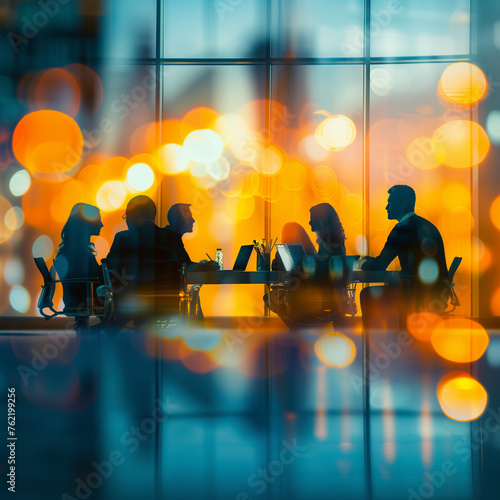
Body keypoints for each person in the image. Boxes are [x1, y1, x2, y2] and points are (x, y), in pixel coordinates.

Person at [359, 185, 450, 329]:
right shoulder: (427, 226)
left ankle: (374, 340)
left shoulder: (402, 229)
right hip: (435, 293)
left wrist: (362, 263)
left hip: (414, 294)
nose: (386, 207)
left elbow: (380, 265)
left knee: (367, 294)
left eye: (390, 202)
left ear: (402, 204)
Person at [266, 203, 349, 328]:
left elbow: (322, 270)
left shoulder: (329, 242)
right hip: (324, 297)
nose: (309, 223)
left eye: (312, 219)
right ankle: (300, 328)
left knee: (272, 298)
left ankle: (299, 328)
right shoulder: (332, 240)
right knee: (277, 297)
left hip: (318, 298)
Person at [54, 203, 104, 330]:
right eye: (98, 220)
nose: (101, 225)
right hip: (83, 301)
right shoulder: (78, 252)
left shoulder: (70, 250)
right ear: (86, 223)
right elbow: (86, 280)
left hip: (76, 300)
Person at [163, 203, 218, 272]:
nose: (193, 220)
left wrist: (201, 265)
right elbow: (186, 266)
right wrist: (206, 266)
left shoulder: (168, 236)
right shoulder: (172, 239)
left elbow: (185, 264)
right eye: (189, 217)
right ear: (179, 220)